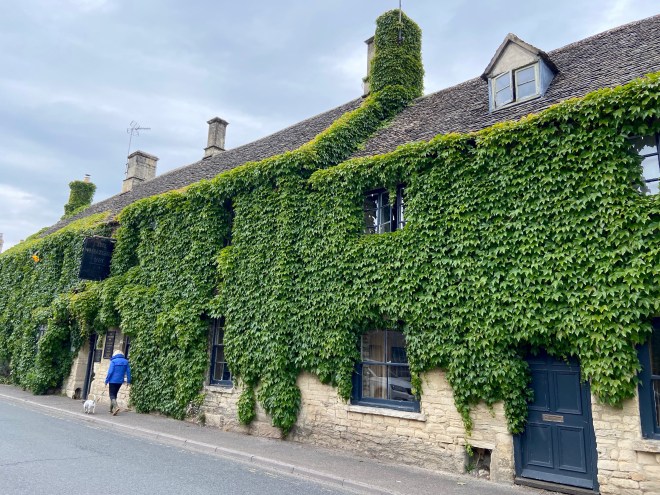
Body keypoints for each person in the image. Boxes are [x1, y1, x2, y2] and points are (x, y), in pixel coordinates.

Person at [105, 349, 131, 415]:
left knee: (111, 395)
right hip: (120, 381)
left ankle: (116, 407)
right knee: (114, 394)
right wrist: (128, 381)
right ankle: (110, 410)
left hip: (112, 380)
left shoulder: (113, 361)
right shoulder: (126, 362)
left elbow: (110, 372)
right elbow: (128, 372)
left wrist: (106, 380)